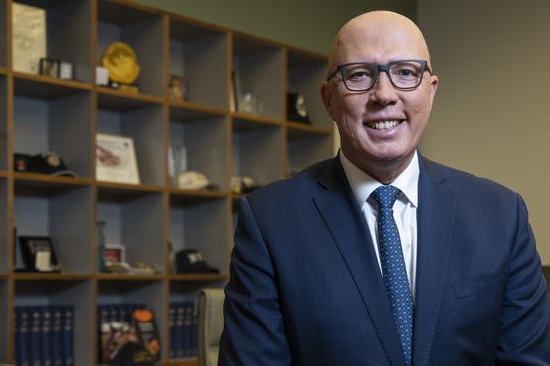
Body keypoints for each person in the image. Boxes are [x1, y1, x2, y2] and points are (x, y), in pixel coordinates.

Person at [218, 10, 550, 366]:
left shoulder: (501, 215)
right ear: (329, 98)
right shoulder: (270, 221)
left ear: (431, 91)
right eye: (359, 75)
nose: (384, 95)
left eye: (406, 72)